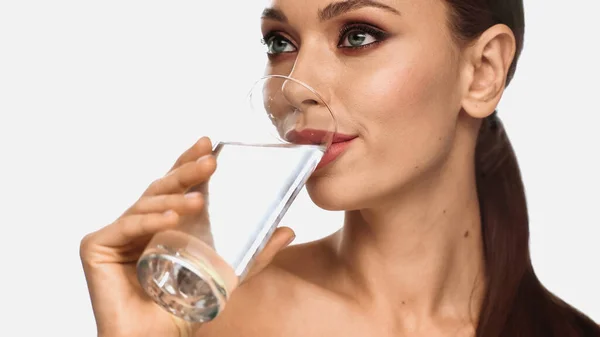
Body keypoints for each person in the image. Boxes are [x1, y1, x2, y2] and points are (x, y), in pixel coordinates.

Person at [80, 0, 600, 336]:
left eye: (358, 35)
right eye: (280, 43)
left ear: (482, 72)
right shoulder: (213, 316)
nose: (294, 85)